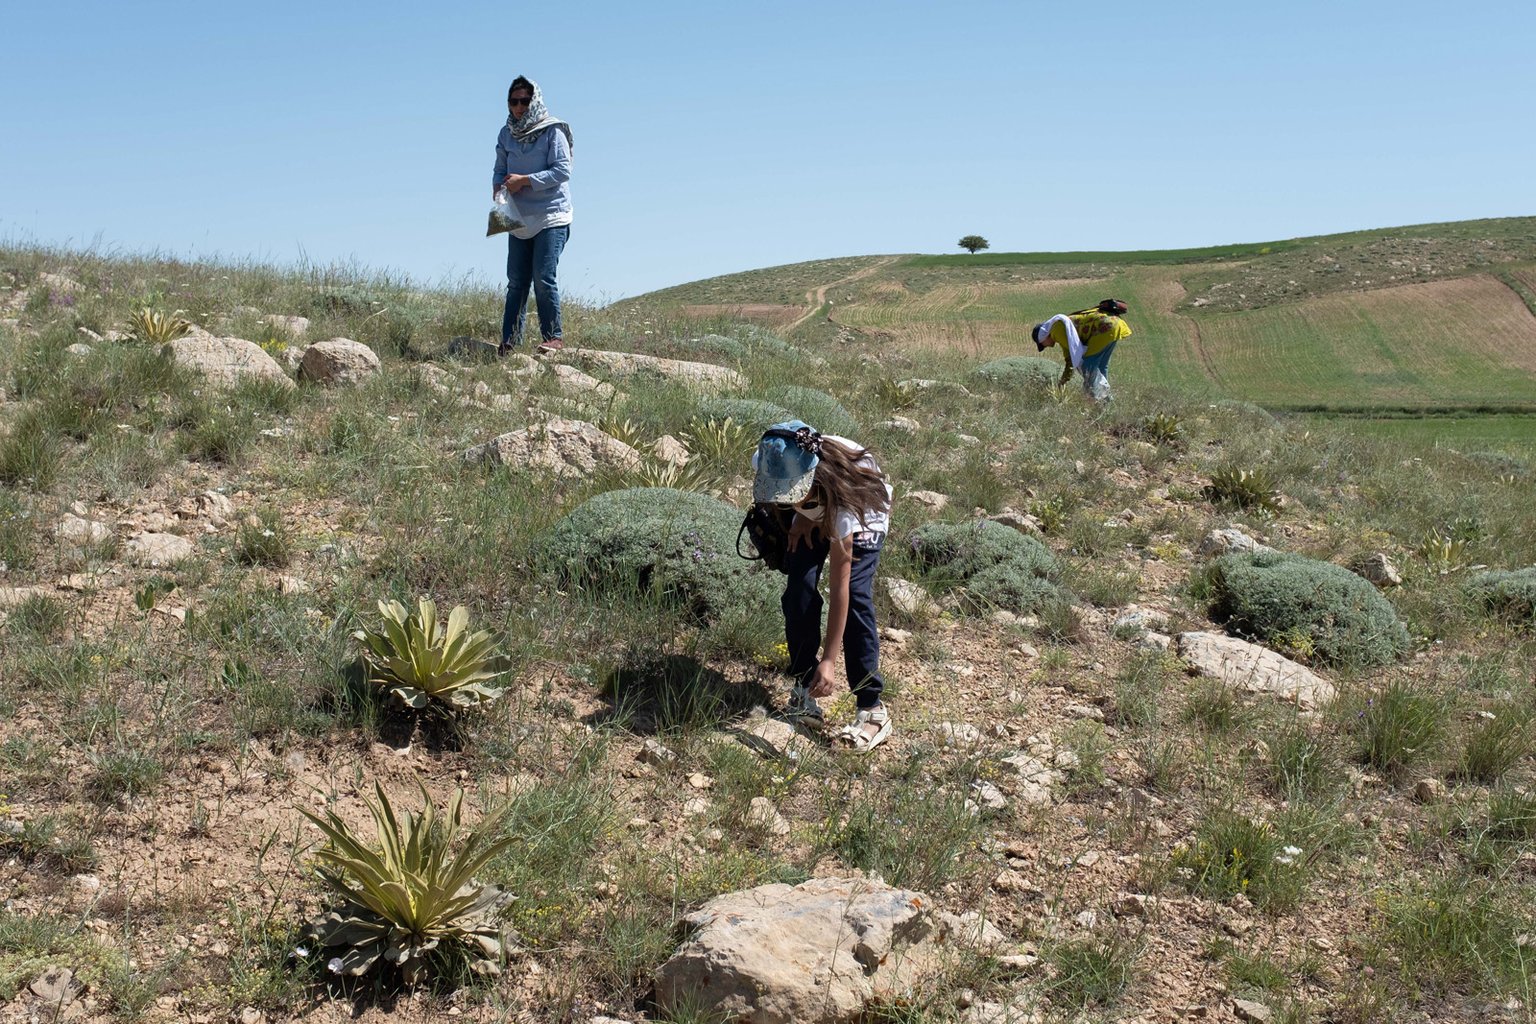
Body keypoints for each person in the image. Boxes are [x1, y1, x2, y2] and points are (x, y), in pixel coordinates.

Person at [752, 421, 895, 751]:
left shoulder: (846, 502)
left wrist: (829, 660)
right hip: (817, 503)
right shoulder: (770, 457)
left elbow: (840, 588)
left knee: (857, 596)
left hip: (860, 503)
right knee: (798, 589)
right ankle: (805, 685)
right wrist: (802, 514)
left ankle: (872, 710)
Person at [493, 76, 573, 355]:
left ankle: (554, 337)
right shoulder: (506, 133)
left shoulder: (553, 132)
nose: (519, 107)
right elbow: (499, 167)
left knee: (543, 274)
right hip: (518, 217)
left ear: (535, 101)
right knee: (516, 280)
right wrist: (497, 187)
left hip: (552, 215)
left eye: (524, 101)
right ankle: (510, 341)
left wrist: (525, 180)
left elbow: (563, 170)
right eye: (513, 101)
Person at [1032, 298, 1132, 401]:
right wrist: (1063, 381)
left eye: (1042, 344)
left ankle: (1095, 399)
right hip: (1114, 325)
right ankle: (1106, 398)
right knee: (1101, 366)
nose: (1046, 346)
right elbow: (1070, 360)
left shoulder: (1056, 331)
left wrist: (1063, 382)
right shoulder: (1058, 330)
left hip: (1104, 328)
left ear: (1043, 337)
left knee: (1088, 366)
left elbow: (1076, 354)